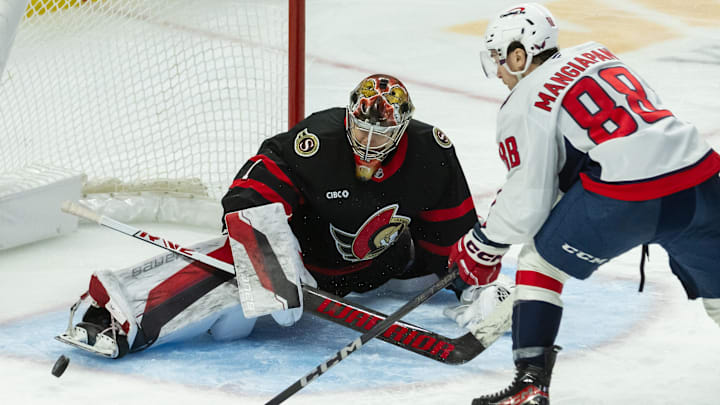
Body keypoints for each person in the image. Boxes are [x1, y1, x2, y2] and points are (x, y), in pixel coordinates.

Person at [56, 73, 493, 359]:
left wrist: (475, 286)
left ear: (401, 130)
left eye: (381, 134)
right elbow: (247, 195)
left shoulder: (431, 151)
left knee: (234, 315)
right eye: (360, 129)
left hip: (385, 267)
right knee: (231, 274)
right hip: (308, 264)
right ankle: (119, 314)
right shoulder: (317, 143)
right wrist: (279, 263)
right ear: (347, 119)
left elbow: (452, 228)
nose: (368, 141)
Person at [446, 3, 720, 404]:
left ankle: (530, 385)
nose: (499, 73)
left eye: (500, 60)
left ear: (519, 54)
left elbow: (527, 205)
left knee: (540, 261)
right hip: (701, 176)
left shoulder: (524, 99)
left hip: (629, 195)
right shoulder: (599, 53)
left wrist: (484, 244)